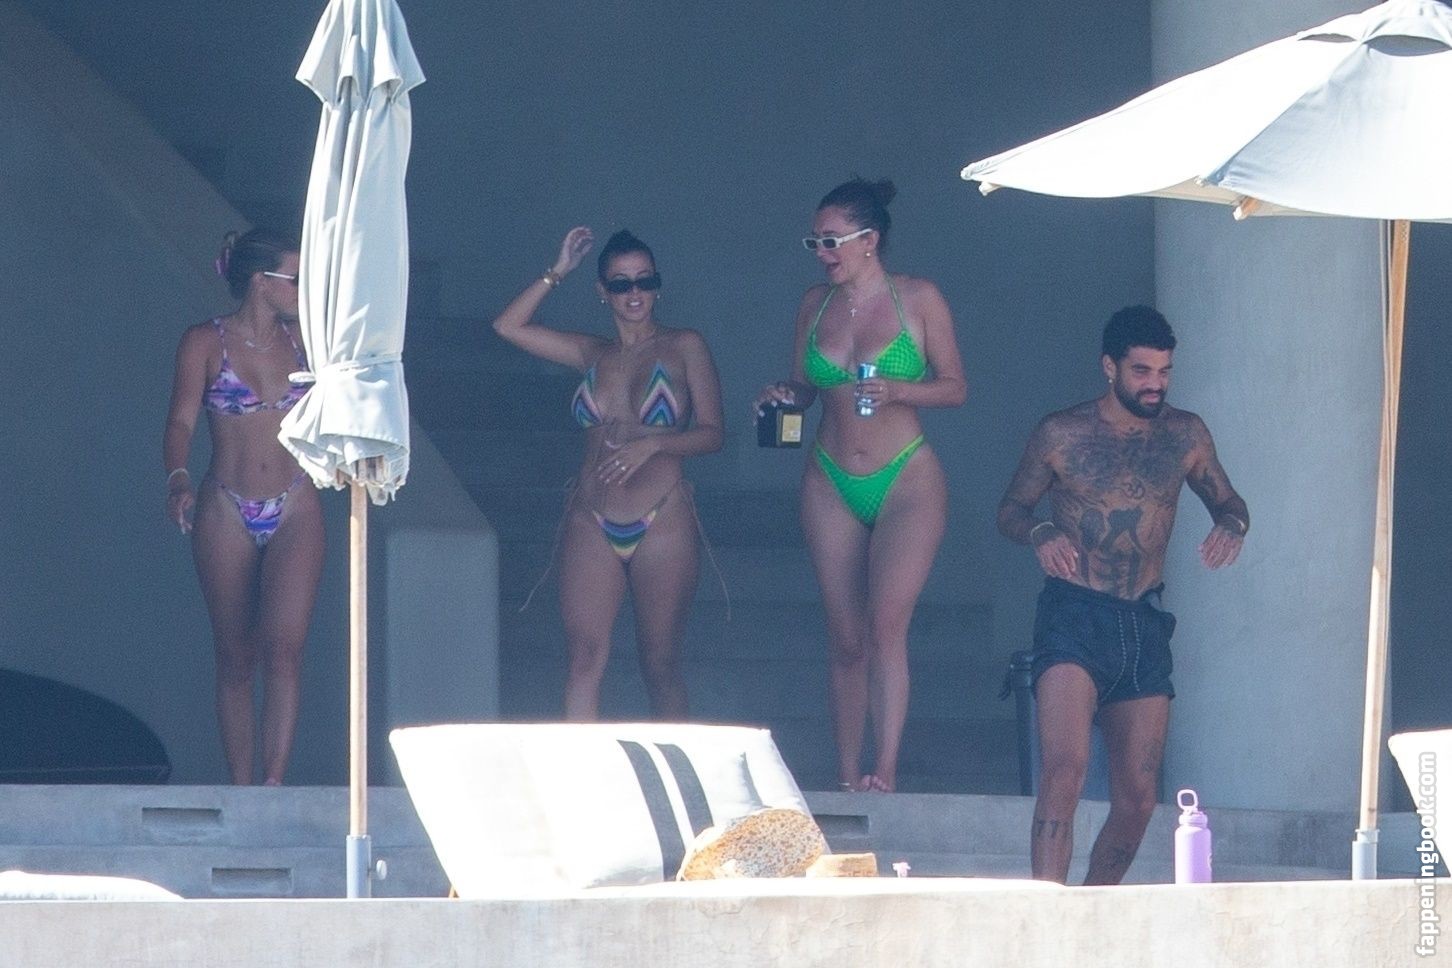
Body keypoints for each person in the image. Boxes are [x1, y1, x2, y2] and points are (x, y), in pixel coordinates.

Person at [997, 304, 1249, 884]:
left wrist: (1232, 527)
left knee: (1138, 800)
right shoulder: (1062, 433)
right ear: (1109, 367)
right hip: (1074, 613)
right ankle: (1048, 912)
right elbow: (1011, 510)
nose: (1155, 384)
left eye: (1164, 372)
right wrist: (1041, 531)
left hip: (1142, 620)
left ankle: (1093, 908)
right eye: (1141, 371)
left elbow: (1230, 502)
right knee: (1064, 771)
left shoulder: (1186, 434)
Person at [754, 179, 967, 792]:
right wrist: (784, 395)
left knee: (885, 626)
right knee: (846, 638)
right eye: (815, 242)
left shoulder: (918, 297)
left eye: (832, 240)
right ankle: (849, 775)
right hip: (830, 473)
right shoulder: (814, 304)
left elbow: (956, 387)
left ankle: (886, 770)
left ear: (869, 240)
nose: (822, 253)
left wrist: (899, 389)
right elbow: (806, 385)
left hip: (905, 475)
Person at [493, 227, 724, 720]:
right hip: (591, 514)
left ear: (658, 285)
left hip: (662, 514)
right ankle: (582, 769)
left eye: (645, 280)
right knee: (583, 660)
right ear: (603, 291)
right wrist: (558, 270)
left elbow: (712, 434)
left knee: (660, 663)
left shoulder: (684, 345)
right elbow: (508, 326)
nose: (634, 293)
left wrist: (654, 443)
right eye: (621, 283)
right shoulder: (592, 353)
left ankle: (675, 766)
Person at [163, 229, 324, 786]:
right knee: (235, 657)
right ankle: (242, 788)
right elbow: (181, 420)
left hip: (296, 500)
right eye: (297, 279)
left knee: (285, 651)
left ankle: (273, 784)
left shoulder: (308, 341)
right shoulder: (205, 342)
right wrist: (178, 477)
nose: (306, 289)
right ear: (261, 282)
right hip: (225, 504)